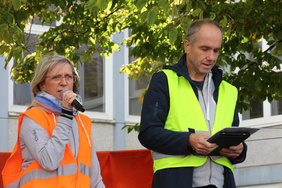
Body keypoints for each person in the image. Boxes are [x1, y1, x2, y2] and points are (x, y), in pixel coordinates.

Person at [138, 19, 247, 188]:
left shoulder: (229, 91)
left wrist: (239, 150)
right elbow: (148, 133)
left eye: (216, 50)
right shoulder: (164, 80)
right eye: (204, 49)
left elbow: (233, 136)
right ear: (187, 46)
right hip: (175, 181)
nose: (211, 57)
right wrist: (188, 140)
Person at [2, 52, 105, 188]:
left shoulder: (83, 121)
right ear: (42, 85)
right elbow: (49, 161)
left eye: (68, 76)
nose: (64, 83)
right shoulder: (33, 117)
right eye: (56, 77)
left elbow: (95, 177)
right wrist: (66, 114)